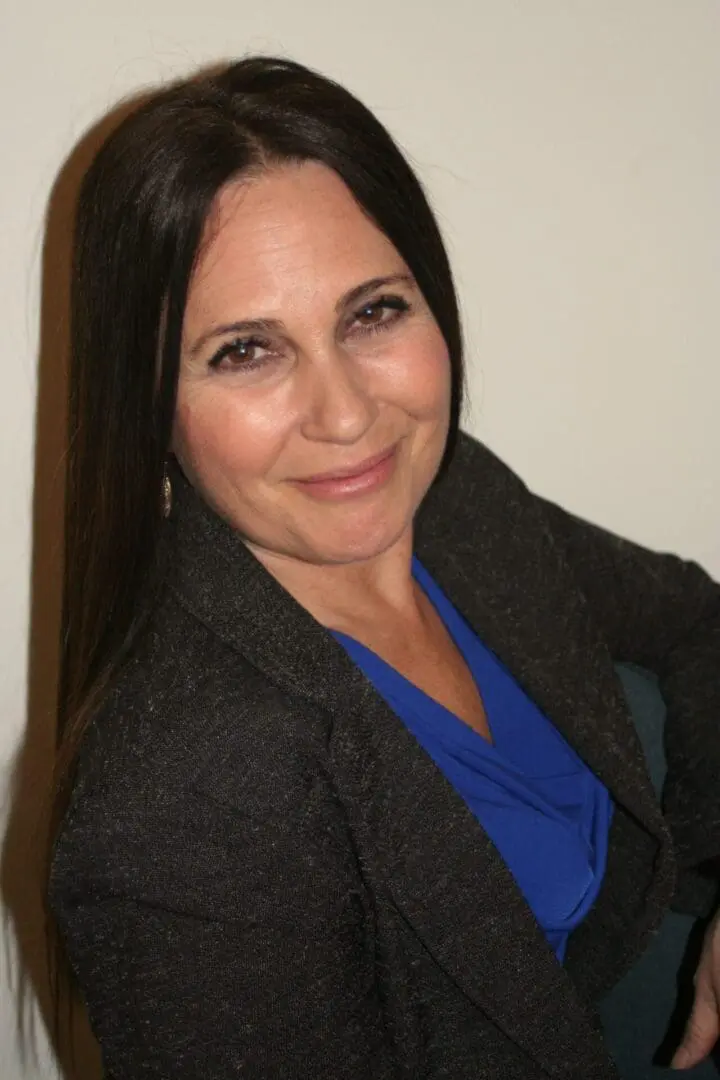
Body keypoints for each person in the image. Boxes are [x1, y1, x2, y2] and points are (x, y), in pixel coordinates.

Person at [47, 55, 720, 1079]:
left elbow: (695, 621)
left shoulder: (456, 502)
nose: (349, 414)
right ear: (149, 408)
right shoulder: (177, 810)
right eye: (245, 351)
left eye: (372, 313)